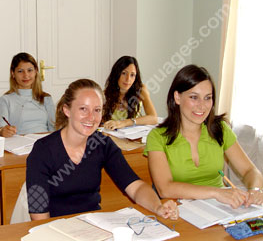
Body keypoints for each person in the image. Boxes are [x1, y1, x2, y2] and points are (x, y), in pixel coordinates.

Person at [26, 78, 178, 221]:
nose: (91, 117)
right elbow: (38, 214)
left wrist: (157, 207)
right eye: (83, 109)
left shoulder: (102, 144)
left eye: (97, 110)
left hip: (94, 226)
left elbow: (135, 186)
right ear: (67, 110)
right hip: (56, 228)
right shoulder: (42, 150)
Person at [144, 64, 263, 209]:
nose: (202, 106)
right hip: (179, 209)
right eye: (194, 97)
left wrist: (255, 190)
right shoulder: (157, 137)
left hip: (220, 209)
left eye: (208, 98)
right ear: (177, 97)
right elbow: (165, 189)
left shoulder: (220, 129)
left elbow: (250, 171)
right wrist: (216, 193)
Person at [0, 52, 55, 137]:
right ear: (13, 73)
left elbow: (54, 128)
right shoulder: (6, 100)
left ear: (36, 71)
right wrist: (3, 131)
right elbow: (2, 127)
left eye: (30, 70)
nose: (26, 75)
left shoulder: (46, 98)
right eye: (20, 71)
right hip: (19, 145)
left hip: (44, 143)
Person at [103, 56, 158, 130]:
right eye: (124, 73)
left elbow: (153, 118)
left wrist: (125, 122)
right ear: (116, 74)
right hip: (112, 136)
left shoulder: (141, 90)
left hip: (133, 138)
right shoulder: (106, 94)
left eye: (132, 75)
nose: (128, 79)